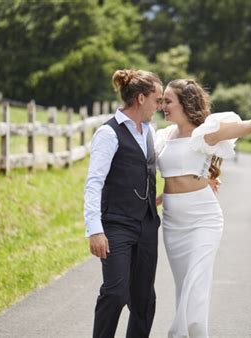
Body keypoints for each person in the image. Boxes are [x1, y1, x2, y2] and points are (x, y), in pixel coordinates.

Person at [155, 73, 251, 338]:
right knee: (183, 285)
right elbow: (172, 182)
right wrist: (153, 202)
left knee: (196, 285)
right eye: (162, 101)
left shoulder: (206, 133)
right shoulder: (164, 137)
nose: (162, 106)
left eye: (168, 101)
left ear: (185, 103)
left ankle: (187, 333)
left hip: (203, 220)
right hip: (173, 223)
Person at [84, 69, 163, 338]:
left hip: (147, 227)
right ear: (141, 98)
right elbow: (94, 183)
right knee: (116, 292)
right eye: (157, 99)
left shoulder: (150, 131)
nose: (159, 105)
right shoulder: (108, 133)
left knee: (144, 302)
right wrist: (95, 229)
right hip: (116, 225)